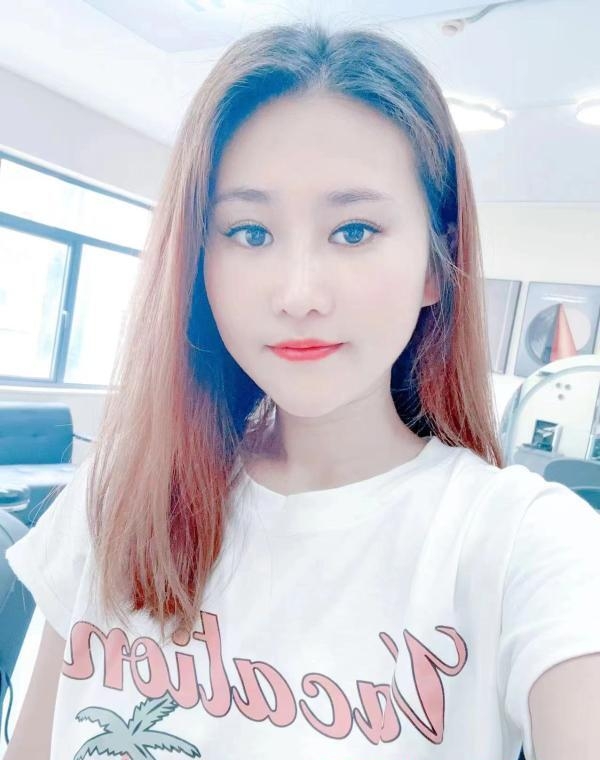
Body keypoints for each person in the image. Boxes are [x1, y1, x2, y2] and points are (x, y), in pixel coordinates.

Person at [4, 20, 600, 760]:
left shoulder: (522, 544)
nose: (298, 295)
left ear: (434, 265)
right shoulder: (118, 495)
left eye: (353, 231)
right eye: (250, 233)